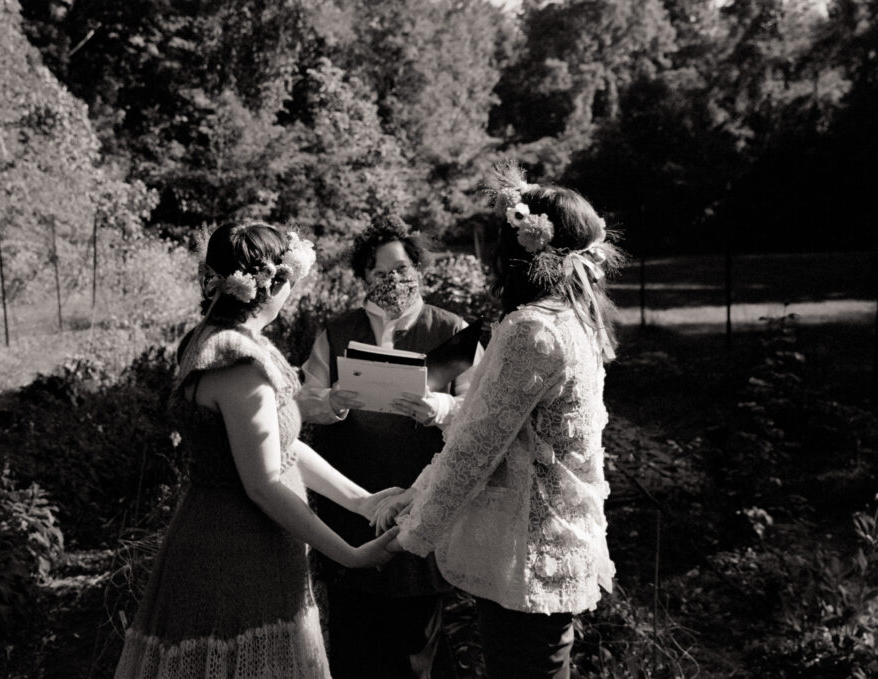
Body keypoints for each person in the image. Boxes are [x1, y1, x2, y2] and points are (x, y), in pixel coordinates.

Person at [115, 222, 401, 679]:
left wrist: (363, 501)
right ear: (275, 283)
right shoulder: (236, 362)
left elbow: (283, 449)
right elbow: (264, 484)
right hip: (234, 558)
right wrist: (350, 554)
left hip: (255, 550)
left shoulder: (230, 340)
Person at [376, 164, 622, 679]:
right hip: (551, 552)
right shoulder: (572, 320)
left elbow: (475, 448)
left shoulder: (531, 330)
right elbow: (488, 423)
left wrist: (410, 529)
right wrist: (413, 496)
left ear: (519, 250)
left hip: (529, 563)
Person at [297, 215, 482, 679]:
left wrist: (438, 407)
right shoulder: (338, 330)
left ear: (419, 269)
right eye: (380, 273)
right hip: (349, 499)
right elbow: (300, 400)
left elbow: (480, 414)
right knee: (354, 642)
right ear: (363, 277)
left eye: (401, 269)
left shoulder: (452, 329)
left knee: (414, 647)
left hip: (424, 499)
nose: (393, 281)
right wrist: (331, 402)